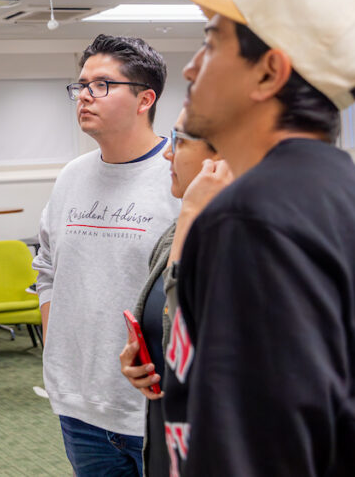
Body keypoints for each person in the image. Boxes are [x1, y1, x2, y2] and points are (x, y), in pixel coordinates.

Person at [162, 0, 355, 475]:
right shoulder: (348, 199)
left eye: (212, 42)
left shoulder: (252, 220)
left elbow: (253, 453)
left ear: (270, 72)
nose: (191, 66)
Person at [33, 34, 180, 476]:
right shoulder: (72, 177)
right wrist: (59, 346)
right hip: (79, 405)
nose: (84, 97)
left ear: (144, 99)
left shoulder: (178, 179)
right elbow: (46, 269)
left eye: (102, 85)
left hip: (153, 406)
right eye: (80, 85)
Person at [118, 109, 232, 477]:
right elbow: (169, 328)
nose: (168, 152)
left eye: (179, 140)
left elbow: (190, 322)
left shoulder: (244, 239)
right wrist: (144, 358)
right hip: (168, 430)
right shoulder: (172, 236)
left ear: (222, 156)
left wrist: (193, 211)